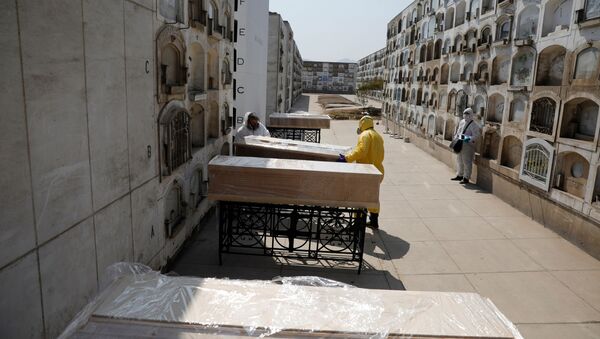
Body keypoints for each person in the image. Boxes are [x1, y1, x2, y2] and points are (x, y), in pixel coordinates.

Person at [338, 115, 384, 229]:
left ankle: (357, 224)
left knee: (359, 196)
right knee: (373, 196)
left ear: (362, 124)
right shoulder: (378, 136)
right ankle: (374, 220)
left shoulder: (364, 135)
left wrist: (347, 158)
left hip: (366, 171)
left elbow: (361, 151)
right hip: (378, 171)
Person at [451, 108, 481, 184]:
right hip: (460, 143)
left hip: (468, 146)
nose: (466, 115)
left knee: (467, 161)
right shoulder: (462, 122)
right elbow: (458, 131)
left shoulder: (474, 125)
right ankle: (459, 175)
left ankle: (466, 177)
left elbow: (476, 136)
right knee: (459, 160)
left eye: (468, 114)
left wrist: (466, 138)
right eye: (465, 113)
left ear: (471, 115)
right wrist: (456, 137)